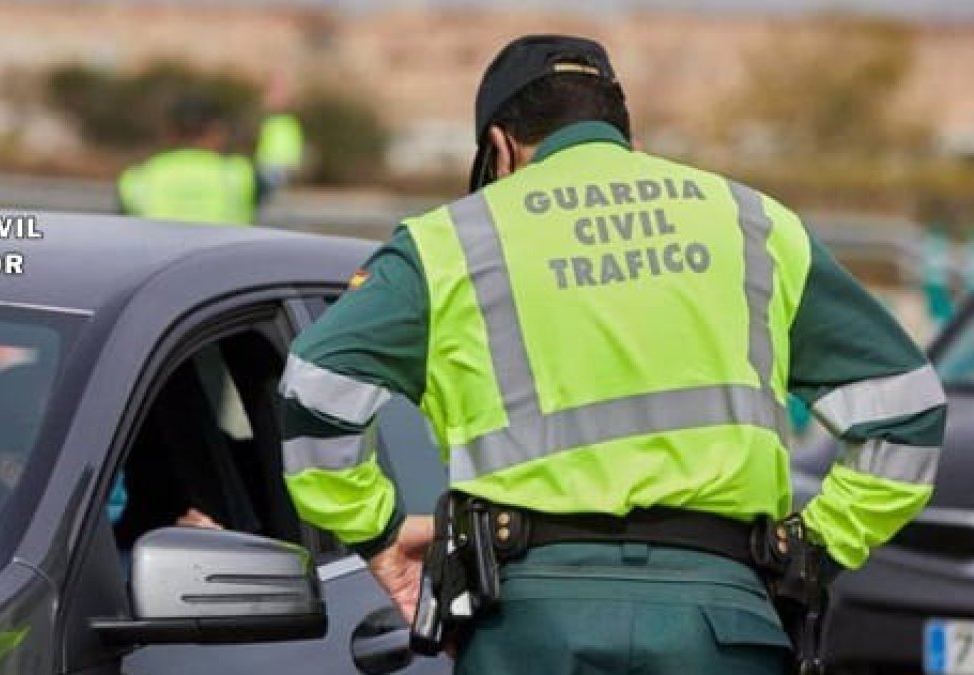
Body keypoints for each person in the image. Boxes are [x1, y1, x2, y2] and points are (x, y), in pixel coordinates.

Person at [278, 35, 947, 675]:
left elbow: (315, 388)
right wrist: (815, 547)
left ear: (500, 148)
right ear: (630, 142)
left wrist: (376, 531)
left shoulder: (452, 241)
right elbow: (908, 410)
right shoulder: (753, 224)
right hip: (721, 618)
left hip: (528, 623)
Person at [117, 96, 259, 225]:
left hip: (162, 253)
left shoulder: (138, 178)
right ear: (216, 130)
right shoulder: (239, 174)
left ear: (170, 132)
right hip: (225, 254)